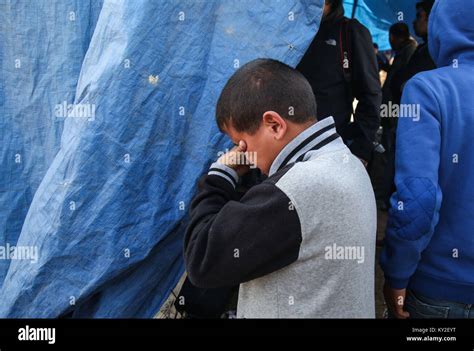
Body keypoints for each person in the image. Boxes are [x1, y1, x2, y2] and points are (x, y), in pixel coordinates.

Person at [184, 58, 377, 318]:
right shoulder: (347, 161)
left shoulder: (293, 190)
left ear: (274, 125)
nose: (245, 157)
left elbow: (202, 260)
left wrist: (220, 175)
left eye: (243, 144)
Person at [381, 0, 474, 319]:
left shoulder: (428, 89)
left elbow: (418, 200)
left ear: (442, 27)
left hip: (438, 293)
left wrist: (396, 275)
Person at [297, 0, 381, 166]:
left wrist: (360, 149)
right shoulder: (290, 33)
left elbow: (370, 94)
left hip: (327, 153)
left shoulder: (349, 32)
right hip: (281, 152)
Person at [378, 23, 418, 210]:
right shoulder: (405, 52)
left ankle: (385, 197)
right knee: (387, 149)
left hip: (397, 112)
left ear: (394, 37)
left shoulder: (411, 52)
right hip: (392, 111)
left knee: (391, 152)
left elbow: (402, 84)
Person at [391, 0, 436, 104]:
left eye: (419, 16)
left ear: (431, 18)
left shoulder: (434, 51)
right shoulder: (423, 48)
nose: (414, 21)